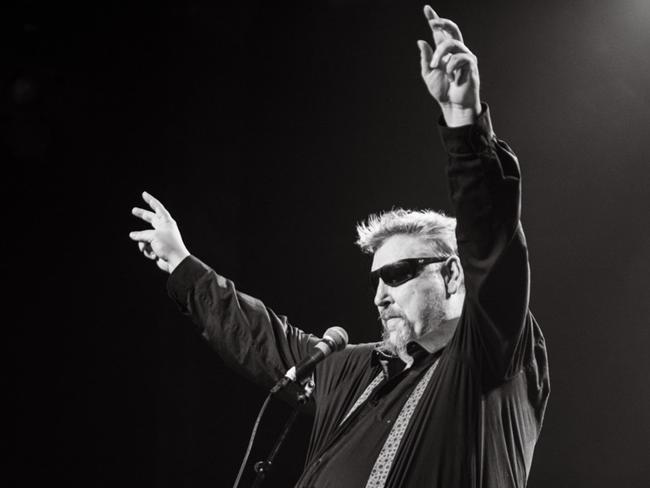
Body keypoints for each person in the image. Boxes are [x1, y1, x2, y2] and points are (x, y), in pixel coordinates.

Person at [129, 5, 549, 487]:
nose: (379, 296)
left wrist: (465, 126)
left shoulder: (488, 355)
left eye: (397, 275)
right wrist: (183, 265)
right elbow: (265, 341)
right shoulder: (359, 372)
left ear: (452, 274)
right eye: (376, 280)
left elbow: (492, 248)